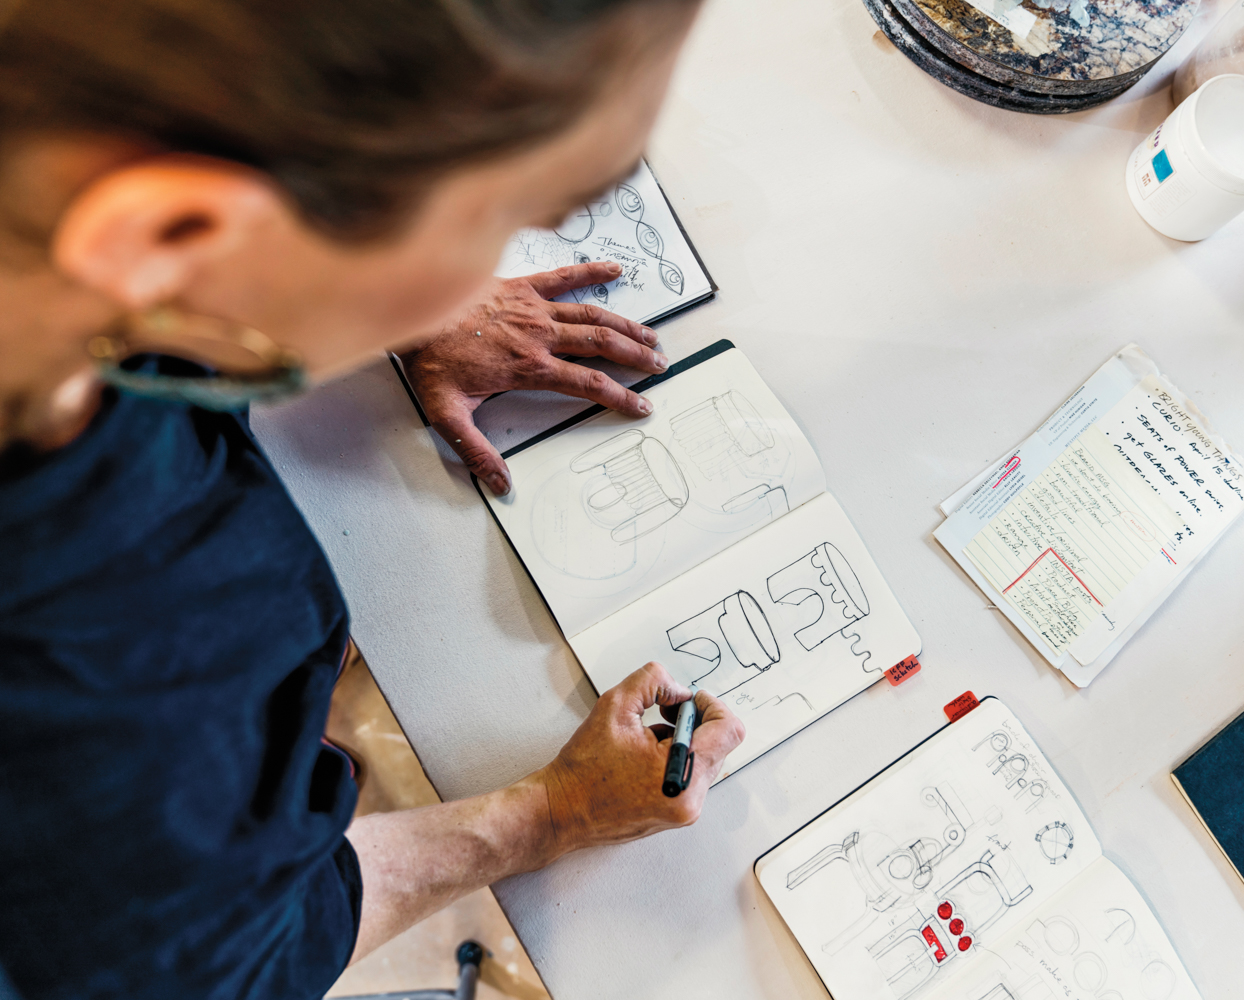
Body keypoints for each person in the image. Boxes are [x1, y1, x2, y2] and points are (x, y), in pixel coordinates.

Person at [0, 1, 745, 998]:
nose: (484, 281)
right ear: (177, 230)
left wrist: (330, 279)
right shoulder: (124, 680)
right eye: (497, 225)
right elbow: (239, 958)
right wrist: (550, 812)